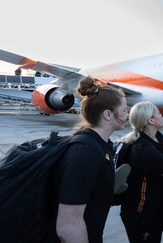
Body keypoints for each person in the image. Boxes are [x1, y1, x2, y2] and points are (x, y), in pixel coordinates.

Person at [56, 76, 128, 243]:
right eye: (124, 110)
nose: (127, 114)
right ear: (108, 115)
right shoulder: (85, 153)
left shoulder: (101, 145)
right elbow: (68, 224)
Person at [119, 101, 163, 243]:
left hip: (155, 206)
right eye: (158, 112)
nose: (161, 114)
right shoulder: (143, 149)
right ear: (151, 120)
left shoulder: (158, 137)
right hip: (141, 212)